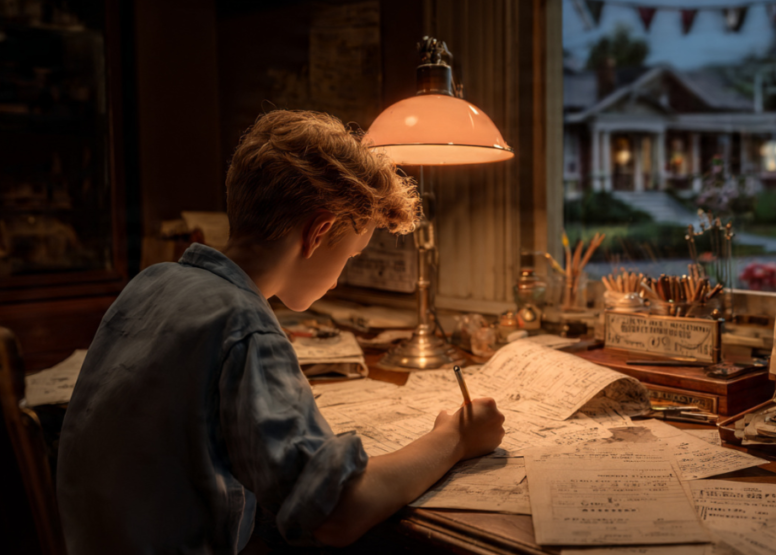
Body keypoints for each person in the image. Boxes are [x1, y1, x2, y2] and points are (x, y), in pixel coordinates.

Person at [56, 110, 505, 553]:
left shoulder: (153, 282)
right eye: (351, 255)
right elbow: (338, 513)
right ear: (318, 232)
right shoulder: (246, 329)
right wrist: (456, 438)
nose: (340, 277)